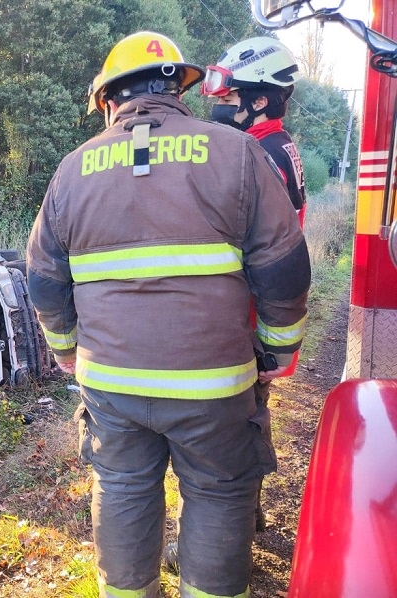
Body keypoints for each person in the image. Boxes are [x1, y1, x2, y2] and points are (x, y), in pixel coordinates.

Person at [26, 30, 310, 598]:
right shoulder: (237, 154)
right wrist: (277, 351)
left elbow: (43, 278)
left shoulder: (71, 170)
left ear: (109, 100)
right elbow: (283, 267)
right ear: (180, 90)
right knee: (218, 493)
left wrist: (64, 350)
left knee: (125, 487)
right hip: (214, 383)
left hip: (112, 383)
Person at [203, 36, 307, 533]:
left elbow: (262, 250)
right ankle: (250, 511)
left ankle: (236, 525)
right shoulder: (276, 145)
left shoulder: (259, 155)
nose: (220, 109)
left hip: (247, 319)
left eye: (228, 99)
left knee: (234, 432)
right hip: (257, 315)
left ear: (260, 99)